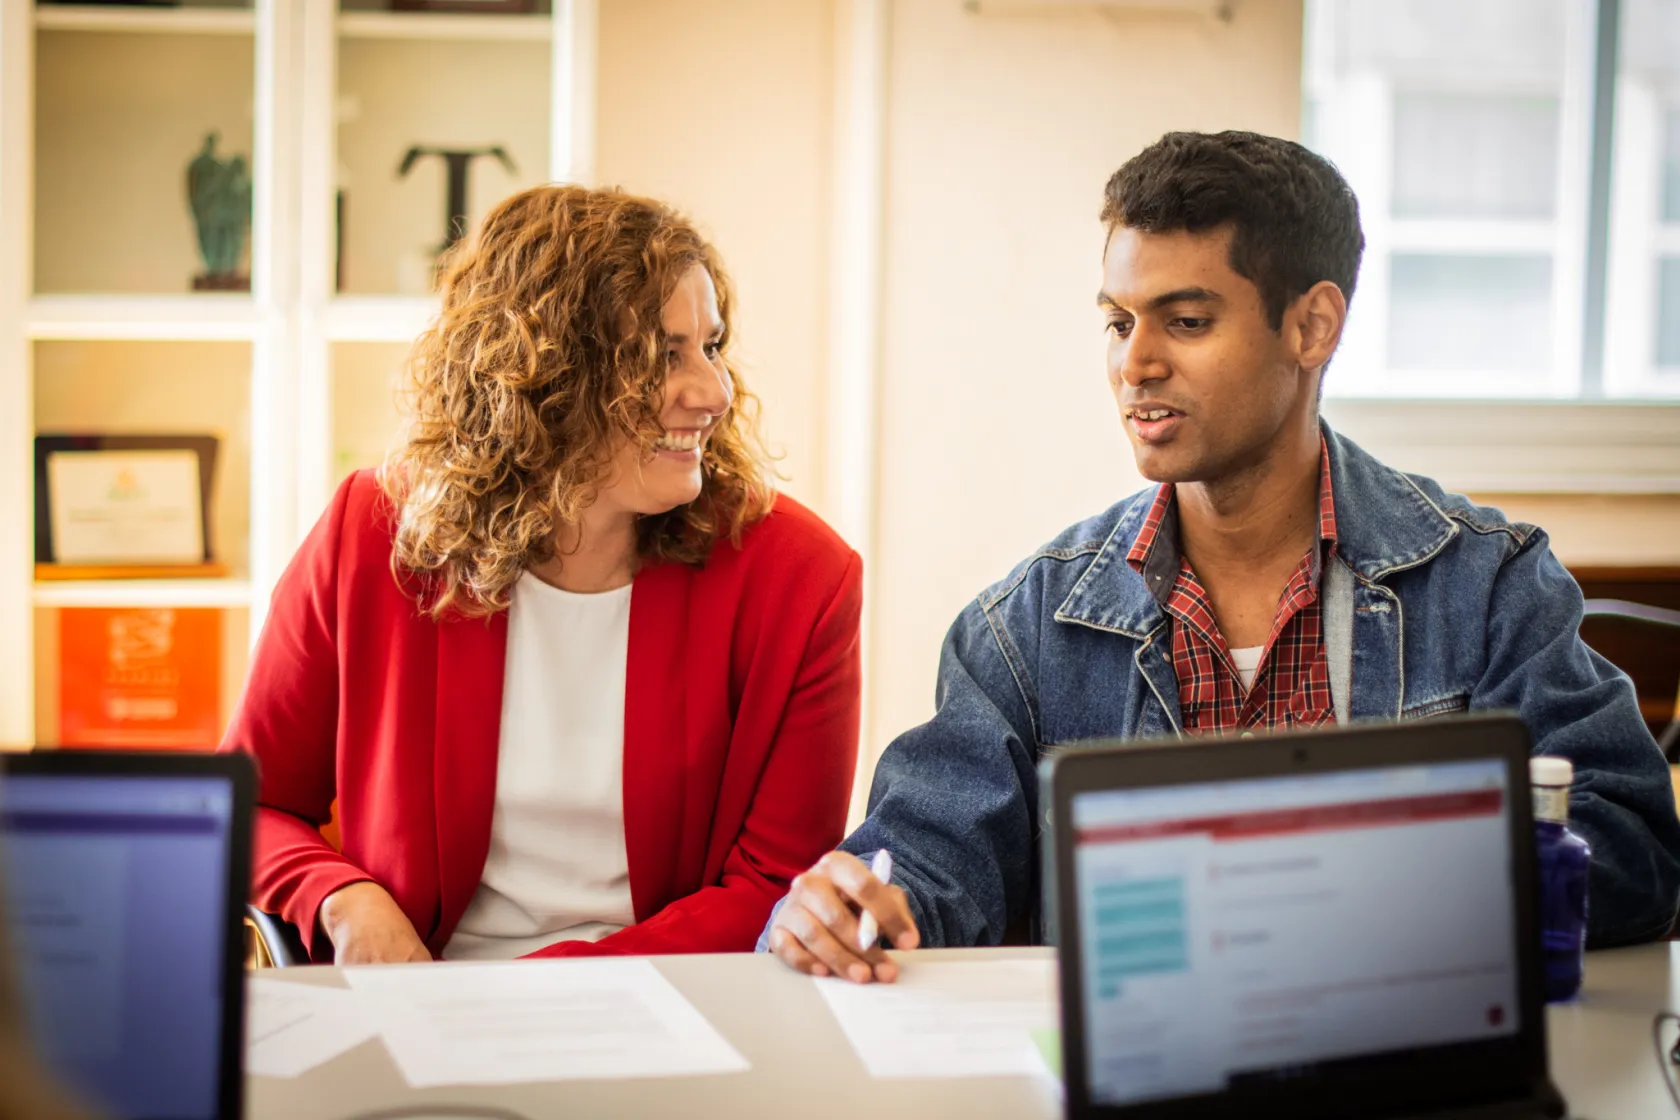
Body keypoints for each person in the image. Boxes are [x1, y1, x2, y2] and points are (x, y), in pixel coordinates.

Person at [763, 130, 1680, 984]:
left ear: (1312, 327)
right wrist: (847, 912)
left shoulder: (1486, 583)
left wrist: (1369, 883)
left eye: (1187, 322)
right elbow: (923, 870)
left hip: (1404, 1059)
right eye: (1118, 322)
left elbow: (1633, 850)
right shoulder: (1024, 628)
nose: (1135, 365)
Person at [224, 185, 862, 964]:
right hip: (412, 999)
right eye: (663, 356)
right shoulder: (371, 533)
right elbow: (251, 804)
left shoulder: (802, 579)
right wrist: (342, 899)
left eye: (712, 346)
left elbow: (776, 885)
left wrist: (524, 994)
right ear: (544, 377)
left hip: (668, 1003)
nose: (713, 393)